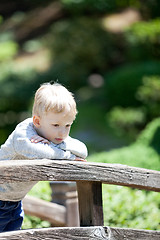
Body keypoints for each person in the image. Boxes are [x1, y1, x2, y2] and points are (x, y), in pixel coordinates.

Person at [0, 82, 88, 232]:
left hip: (14, 202)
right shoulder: (23, 134)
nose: (62, 133)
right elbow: (37, 151)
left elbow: (82, 150)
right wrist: (67, 156)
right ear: (37, 121)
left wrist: (51, 146)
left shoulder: (53, 136)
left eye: (68, 125)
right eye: (56, 125)